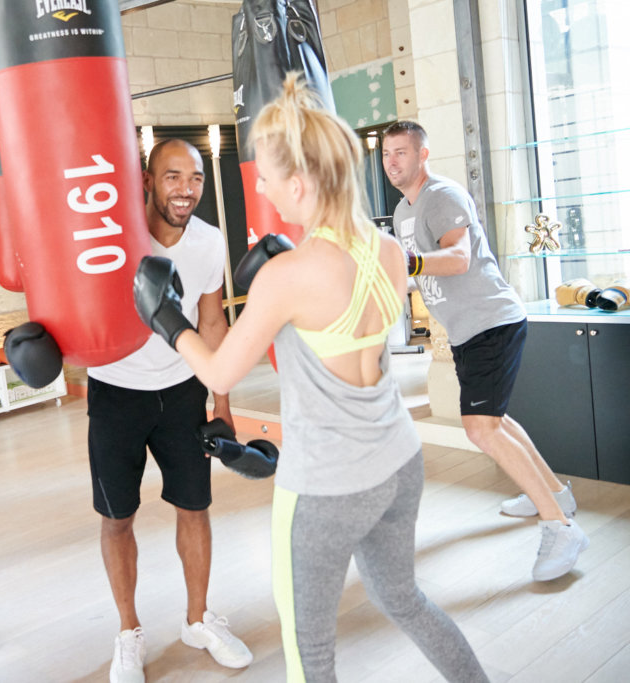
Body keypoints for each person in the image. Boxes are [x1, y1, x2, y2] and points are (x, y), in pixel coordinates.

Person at [133, 74, 489, 682]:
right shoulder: (384, 248)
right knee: (404, 599)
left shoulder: (289, 277)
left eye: (267, 175)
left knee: (309, 651)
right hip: (398, 461)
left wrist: (166, 318)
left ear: (297, 183)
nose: (262, 185)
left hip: (326, 486)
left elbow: (220, 368)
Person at [381, 120, 589, 581]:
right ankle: (555, 494)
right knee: (495, 421)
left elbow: (458, 259)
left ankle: (560, 526)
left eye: (401, 152)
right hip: (467, 330)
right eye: (386, 154)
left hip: (491, 322)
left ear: (423, 154)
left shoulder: (443, 196)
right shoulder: (401, 212)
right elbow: (415, 273)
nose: (392, 161)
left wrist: (406, 261)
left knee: (480, 429)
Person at [88, 139, 253, 683]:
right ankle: (129, 632)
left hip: (182, 390)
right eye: (173, 176)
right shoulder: (113, 237)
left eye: (196, 178)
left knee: (195, 507)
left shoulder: (207, 241)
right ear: (147, 179)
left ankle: (198, 619)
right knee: (117, 519)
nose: (186, 189)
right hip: (114, 392)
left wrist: (221, 402)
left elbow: (212, 322)